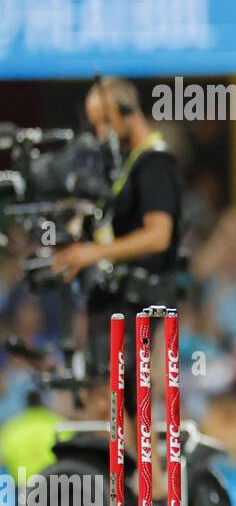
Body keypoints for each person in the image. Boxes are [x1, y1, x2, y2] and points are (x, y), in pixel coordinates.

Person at [53, 76, 183, 429]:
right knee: (116, 399)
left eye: (104, 123)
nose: (99, 133)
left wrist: (92, 253)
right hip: (120, 302)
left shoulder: (155, 163)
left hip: (143, 303)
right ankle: (140, 478)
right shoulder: (124, 165)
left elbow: (159, 236)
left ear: (128, 112)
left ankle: (154, 481)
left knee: (130, 400)